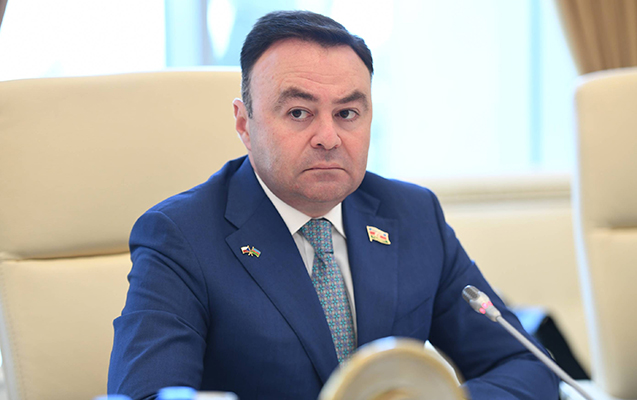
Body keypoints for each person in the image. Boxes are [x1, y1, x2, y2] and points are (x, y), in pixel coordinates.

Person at [108, 10, 560, 400]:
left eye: (347, 114)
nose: (328, 137)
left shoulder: (411, 215)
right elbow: (147, 394)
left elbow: (528, 366)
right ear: (244, 124)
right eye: (299, 113)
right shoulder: (181, 236)